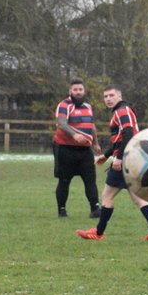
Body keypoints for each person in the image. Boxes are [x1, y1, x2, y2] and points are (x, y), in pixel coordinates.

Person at [75, 85, 148, 241]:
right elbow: (120, 138)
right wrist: (106, 155)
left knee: (107, 195)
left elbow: (128, 132)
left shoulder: (122, 110)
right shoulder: (120, 111)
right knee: (136, 196)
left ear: (119, 96)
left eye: (111, 95)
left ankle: (98, 233)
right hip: (133, 157)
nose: (108, 99)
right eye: (106, 96)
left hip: (127, 159)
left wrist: (120, 157)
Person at [53, 79, 102, 219]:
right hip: (65, 149)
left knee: (90, 179)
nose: (78, 92)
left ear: (84, 91)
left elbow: (91, 126)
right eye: (75, 90)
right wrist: (74, 135)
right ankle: (61, 211)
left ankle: (95, 209)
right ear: (70, 91)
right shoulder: (64, 105)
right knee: (64, 180)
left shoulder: (88, 106)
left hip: (85, 151)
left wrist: (96, 143)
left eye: (80, 89)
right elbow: (61, 123)